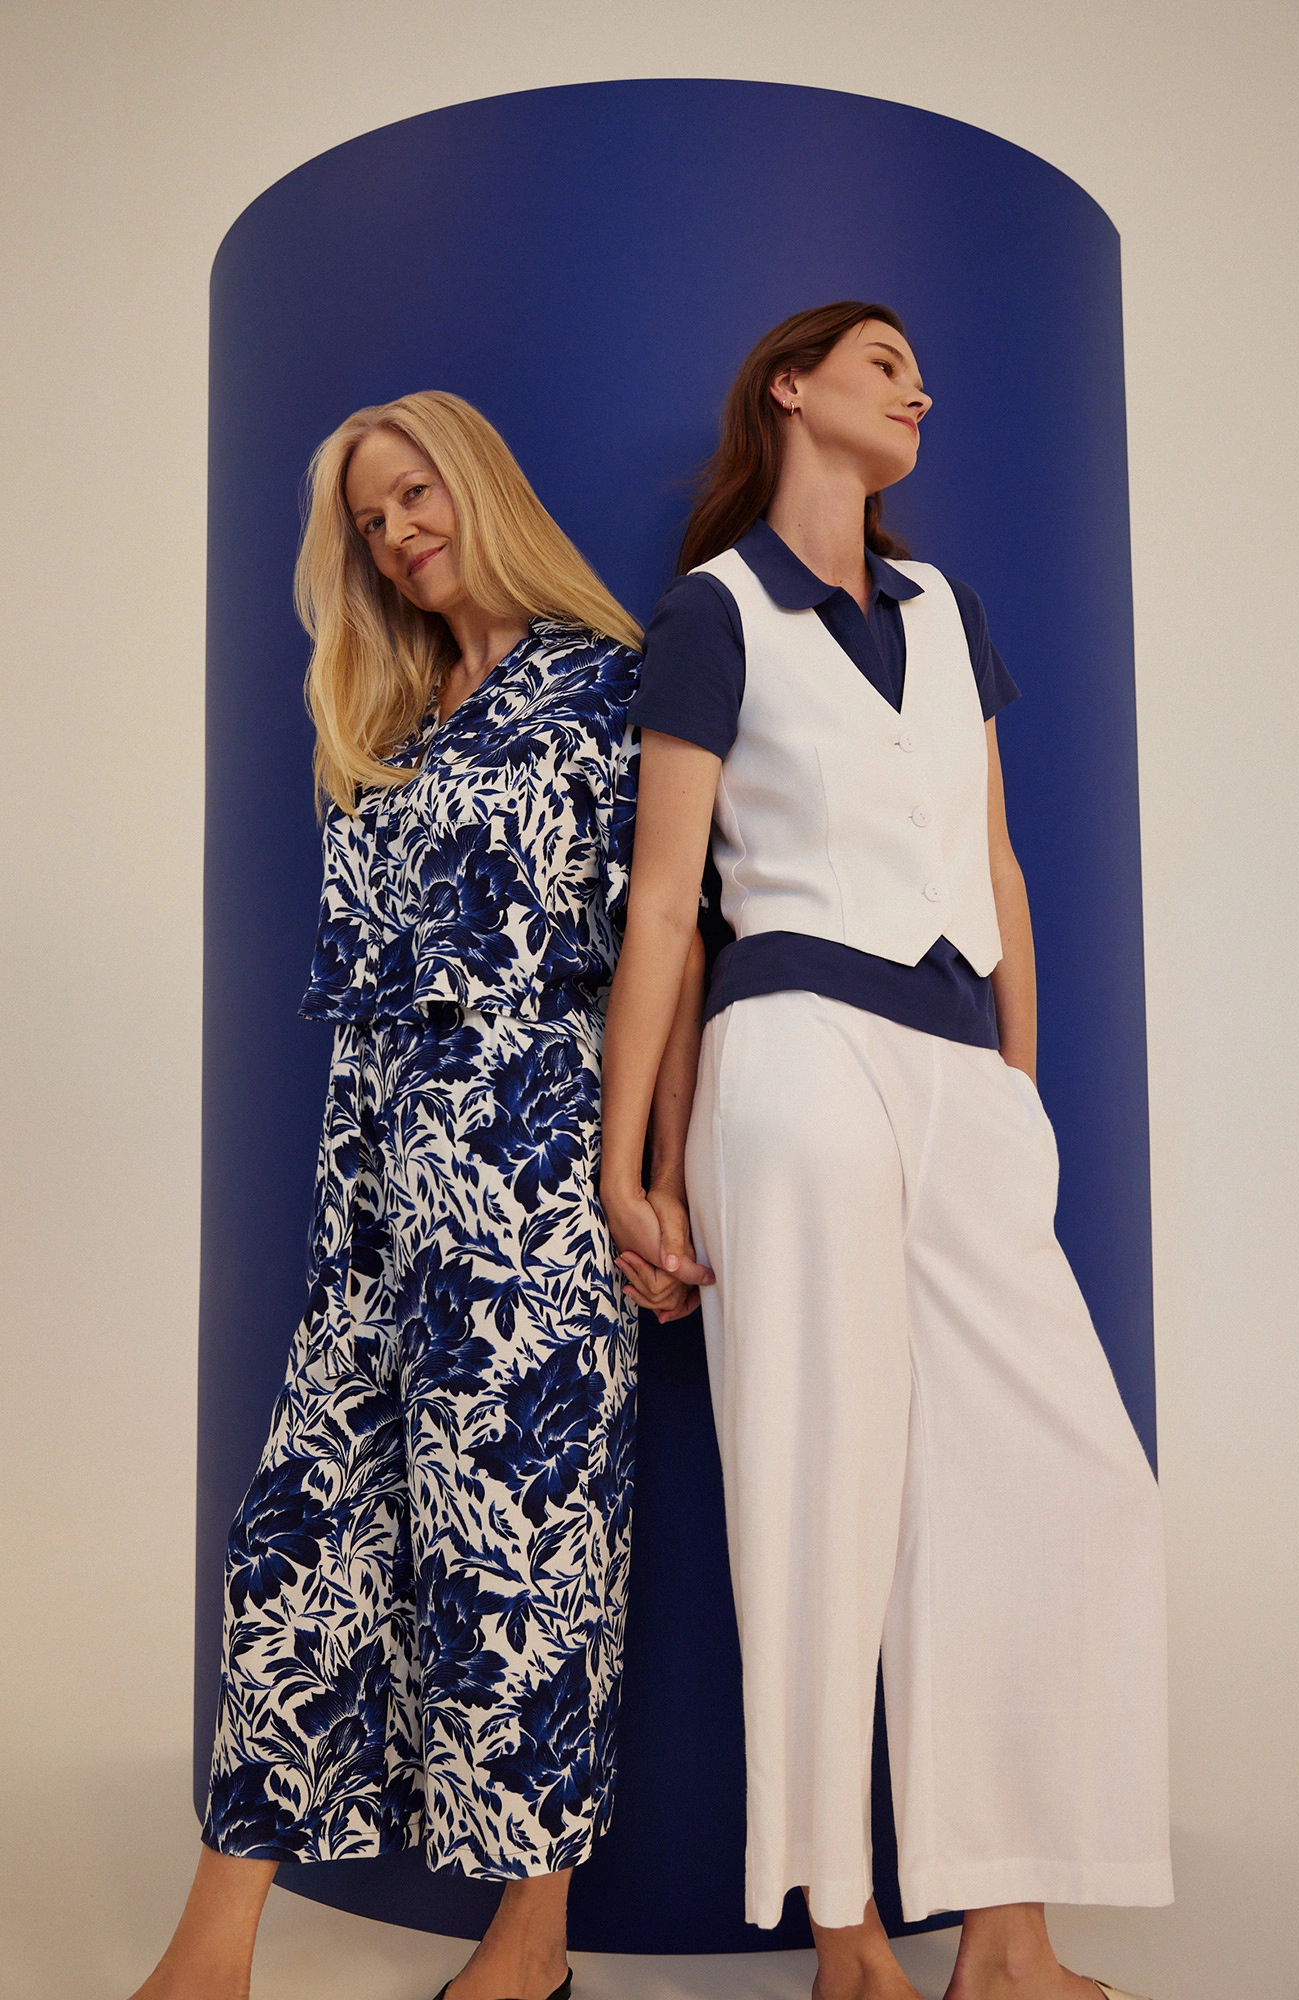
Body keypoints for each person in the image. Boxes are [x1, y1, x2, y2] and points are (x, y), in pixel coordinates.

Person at [600, 303, 1171, 2000]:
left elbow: (995, 869)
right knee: (816, 1480)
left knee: (1058, 1480)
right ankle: (845, 1934)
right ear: (789, 389)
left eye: (920, 370)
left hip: (955, 1062)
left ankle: (1004, 1931)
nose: (917, 386)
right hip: (787, 1053)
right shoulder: (714, 613)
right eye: (880, 362)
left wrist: (1016, 1090)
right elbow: (664, 905)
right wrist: (638, 1167)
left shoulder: (943, 608)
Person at [131, 391, 707, 2000]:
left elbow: (668, 943)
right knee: (301, 1527)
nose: (395, 535)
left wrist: (656, 1177)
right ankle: (211, 1947)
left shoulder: (604, 686)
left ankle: (531, 1945)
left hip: (532, 1171)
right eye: (370, 522)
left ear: (477, 485)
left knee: (522, 1544)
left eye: (412, 496)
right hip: (373, 1185)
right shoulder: (388, 720)